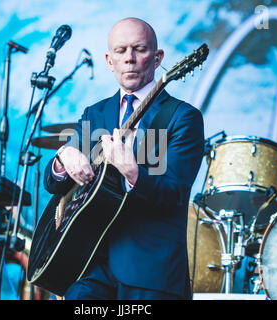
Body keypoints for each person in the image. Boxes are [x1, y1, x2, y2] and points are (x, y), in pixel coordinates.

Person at [43, 17, 204, 300]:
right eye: (120, 51)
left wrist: (133, 173)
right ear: (109, 60)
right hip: (89, 268)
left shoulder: (183, 117)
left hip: (151, 274)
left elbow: (175, 193)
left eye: (139, 49)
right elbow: (55, 185)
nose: (129, 58)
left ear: (158, 58)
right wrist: (62, 158)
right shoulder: (95, 113)